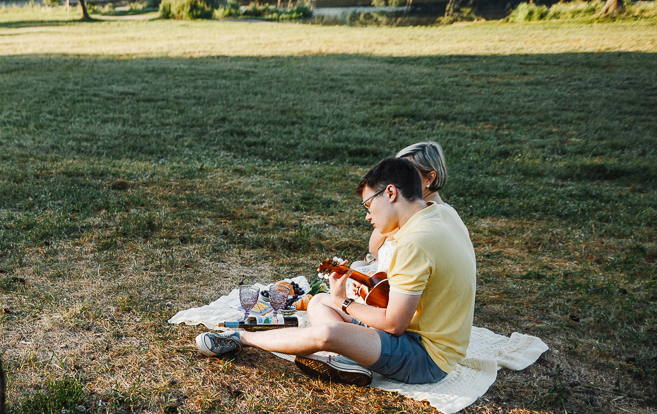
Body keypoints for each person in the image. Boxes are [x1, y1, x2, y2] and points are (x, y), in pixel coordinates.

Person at [195, 157, 476, 387]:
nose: (368, 216)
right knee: (319, 301)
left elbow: (393, 325)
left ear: (390, 193)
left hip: (425, 357)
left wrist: (345, 302)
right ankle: (349, 360)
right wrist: (341, 297)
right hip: (430, 338)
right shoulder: (443, 213)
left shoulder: (414, 244)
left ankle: (240, 338)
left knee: (328, 333)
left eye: (368, 205)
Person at [367, 141, 448, 262]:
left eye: (410, 172)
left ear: (430, 178)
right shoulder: (446, 211)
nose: (398, 178)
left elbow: (373, 248)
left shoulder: (418, 213)